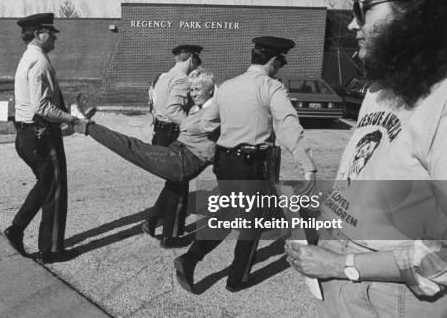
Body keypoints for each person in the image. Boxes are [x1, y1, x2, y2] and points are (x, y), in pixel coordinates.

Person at [285, 0, 447, 318]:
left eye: (364, 8)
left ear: (419, 12)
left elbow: (442, 256)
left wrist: (345, 265)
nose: (353, 22)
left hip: (393, 301)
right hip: (346, 285)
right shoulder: (379, 89)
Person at [174, 36, 317, 293]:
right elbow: (286, 124)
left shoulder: (228, 86)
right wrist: (307, 165)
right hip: (252, 164)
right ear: (274, 60)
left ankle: (190, 257)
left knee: (228, 213)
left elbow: (207, 124)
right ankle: (237, 278)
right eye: (280, 63)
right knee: (252, 220)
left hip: (225, 162)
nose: (280, 68)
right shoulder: (271, 87)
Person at [73, 68, 216, 201]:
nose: (194, 94)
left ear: (210, 90)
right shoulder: (198, 108)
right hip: (177, 152)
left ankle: (86, 125)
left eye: (197, 89)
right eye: (191, 90)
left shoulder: (214, 112)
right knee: (133, 145)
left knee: (131, 146)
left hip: (183, 163)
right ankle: (152, 221)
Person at [4, 12, 79, 264]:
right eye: (51, 32)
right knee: (55, 189)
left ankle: (17, 229)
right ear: (39, 34)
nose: (55, 37)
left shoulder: (28, 57)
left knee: (45, 185)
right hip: (42, 135)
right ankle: (51, 250)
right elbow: (43, 107)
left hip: (28, 134)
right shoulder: (40, 62)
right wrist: (72, 119)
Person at [143, 44, 203, 248]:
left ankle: (151, 221)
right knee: (180, 185)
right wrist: (194, 126)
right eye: (197, 61)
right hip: (173, 132)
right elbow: (173, 110)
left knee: (173, 183)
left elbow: (154, 104)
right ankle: (171, 236)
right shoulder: (182, 79)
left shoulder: (163, 76)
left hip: (160, 132)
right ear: (192, 59)